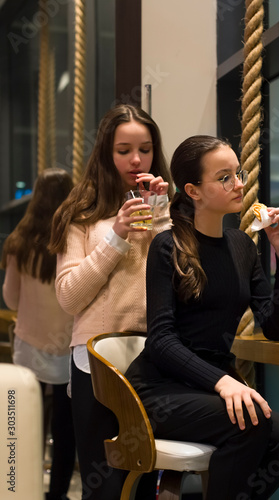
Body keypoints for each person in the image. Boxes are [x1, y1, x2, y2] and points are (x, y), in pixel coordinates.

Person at [125, 135, 279, 500]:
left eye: (238, 173)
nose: (239, 184)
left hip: (209, 389)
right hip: (160, 390)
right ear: (193, 190)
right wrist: (223, 381)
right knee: (252, 424)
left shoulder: (241, 246)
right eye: (224, 177)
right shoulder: (167, 247)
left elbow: (275, 328)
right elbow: (161, 340)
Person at [48, 104, 174, 500]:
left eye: (145, 148)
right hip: (96, 362)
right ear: (105, 151)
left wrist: (164, 220)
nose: (137, 160)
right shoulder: (80, 213)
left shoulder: (165, 209)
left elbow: (182, 286)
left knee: (143, 482)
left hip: (154, 358)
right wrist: (116, 236)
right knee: (103, 485)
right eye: (124, 150)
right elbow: (69, 296)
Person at [1, 167, 76, 500]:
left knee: (25, 423)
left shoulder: (19, 240)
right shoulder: (76, 236)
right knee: (65, 429)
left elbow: (10, 298)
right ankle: (57, 494)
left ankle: (22, 488)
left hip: (29, 344)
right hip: (69, 347)